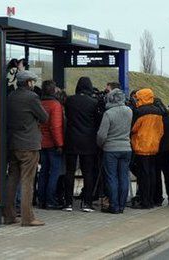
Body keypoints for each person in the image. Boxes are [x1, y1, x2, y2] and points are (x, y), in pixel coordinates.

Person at [4, 70, 48, 227]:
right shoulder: (32, 97)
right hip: (28, 145)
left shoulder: (10, 96)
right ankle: (28, 218)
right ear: (29, 82)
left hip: (12, 144)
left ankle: (8, 215)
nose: (34, 84)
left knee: (12, 178)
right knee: (27, 181)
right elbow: (44, 117)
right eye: (33, 81)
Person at [63, 77, 100, 212]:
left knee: (69, 172)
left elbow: (67, 117)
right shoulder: (93, 103)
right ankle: (87, 203)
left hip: (71, 139)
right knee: (88, 173)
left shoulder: (70, 101)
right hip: (88, 141)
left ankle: (68, 203)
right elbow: (96, 122)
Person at [97, 83, 133, 214]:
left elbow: (101, 135)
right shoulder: (129, 111)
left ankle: (114, 205)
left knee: (112, 177)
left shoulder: (108, 113)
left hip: (111, 149)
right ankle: (122, 205)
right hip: (126, 148)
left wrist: (101, 145)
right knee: (123, 176)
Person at [131, 88, 164, 209]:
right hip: (154, 146)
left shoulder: (140, 111)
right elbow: (161, 131)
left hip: (141, 146)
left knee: (143, 176)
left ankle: (144, 202)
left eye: (138, 98)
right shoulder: (158, 111)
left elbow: (133, 128)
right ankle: (151, 200)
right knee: (152, 174)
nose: (136, 100)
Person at [38, 80, 64, 210]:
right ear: (53, 91)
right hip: (53, 144)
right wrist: (59, 144)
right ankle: (50, 200)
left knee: (43, 171)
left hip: (41, 142)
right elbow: (55, 126)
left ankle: (41, 199)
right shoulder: (55, 105)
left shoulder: (40, 103)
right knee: (54, 172)